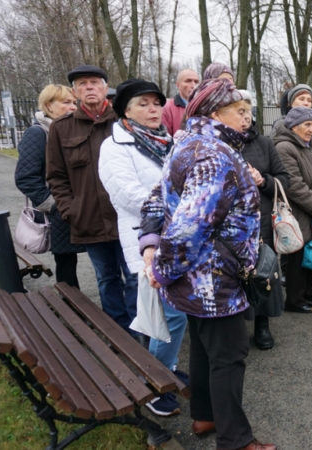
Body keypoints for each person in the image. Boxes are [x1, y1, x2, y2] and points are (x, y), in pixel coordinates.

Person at [140, 78, 275, 450]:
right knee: (229, 358)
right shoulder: (214, 155)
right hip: (215, 281)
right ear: (215, 113)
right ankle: (235, 440)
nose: (246, 119)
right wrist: (160, 269)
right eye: (239, 112)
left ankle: (204, 417)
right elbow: (188, 229)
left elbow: (156, 200)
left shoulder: (186, 143)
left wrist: (152, 248)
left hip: (194, 279)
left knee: (202, 348)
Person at [98, 79, 188, 417]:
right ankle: (152, 383)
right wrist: (178, 206)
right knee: (167, 314)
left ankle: (164, 367)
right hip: (146, 240)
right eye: (143, 104)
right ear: (125, 111)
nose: (153, 110)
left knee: (172, 314)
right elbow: (125, 194)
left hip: (179, 237)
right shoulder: (115, 146)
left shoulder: (168, 141)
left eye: (155, 103)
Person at [45, 64, 138, 336]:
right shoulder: (61, 129)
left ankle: (139, 332)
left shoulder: (123, 122)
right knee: (106, 279)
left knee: (134, 277)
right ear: (74, 92)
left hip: (125, 218)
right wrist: (70, 210)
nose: (89, 88)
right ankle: (117, 333)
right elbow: (56, 177)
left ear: (104, 87)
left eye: (94, 83)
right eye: (82, 84)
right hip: (88, 220)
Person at [14, 84, 84, 288]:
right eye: (65, 102)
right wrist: (53, 204)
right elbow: (25, 177)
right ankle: (71, 308)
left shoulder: (71, 130)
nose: (72, 107)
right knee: (66, 261)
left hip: (78, 206)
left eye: (73, 102)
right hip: (59, 210)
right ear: (48, 106)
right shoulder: (38, 133)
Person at [272, 107, 312, 313]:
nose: (311, 129)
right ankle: (294, 299)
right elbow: (295, 186)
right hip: (299, 212)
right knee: (298, 258)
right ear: (293, 126)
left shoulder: (311, 146)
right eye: (307, 125)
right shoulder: (285, 148)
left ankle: (308, 290)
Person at [240, 93, 291, 348]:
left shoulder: (264, 143)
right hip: (231, 225)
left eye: (247, 111)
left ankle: (262, 325)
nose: (244, 117)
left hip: (262, 221)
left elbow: (284, 178)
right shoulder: (216, 145)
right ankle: (236, 326)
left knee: (264, 271)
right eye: (238, 112)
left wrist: (263, 181)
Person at [161, 68, 200, 135]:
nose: (193, 85)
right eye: (188, 81)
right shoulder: (167, 108)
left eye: (196, 82)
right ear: (178, 85)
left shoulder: (204, 108)